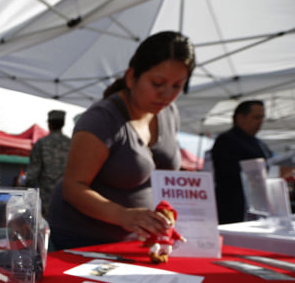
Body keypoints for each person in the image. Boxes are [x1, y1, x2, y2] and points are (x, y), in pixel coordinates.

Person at [48, 31, 196, 249]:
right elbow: (73, 187)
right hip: (83, 239)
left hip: (136, 241)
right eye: (157, 83)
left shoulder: (169, 113)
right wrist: (123, 215)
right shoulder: (102, 119)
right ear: (131, 77)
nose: (166, 94)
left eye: (177, 86)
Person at [211, 100, 271, 224]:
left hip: (257, 207)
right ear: (240, 117)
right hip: (235, 208)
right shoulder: (227, 140)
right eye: (256, 117)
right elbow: (229, 173)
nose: (260, 122)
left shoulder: (259, 143)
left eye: (262, 118)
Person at [25, 109, 71, 218]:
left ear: (49, 124)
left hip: (47, 195)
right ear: (63, 124)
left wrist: (27, 190)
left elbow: (33, 172)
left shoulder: (42, 143)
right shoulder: (72, 143)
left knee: (47, 225)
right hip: (67, 194)